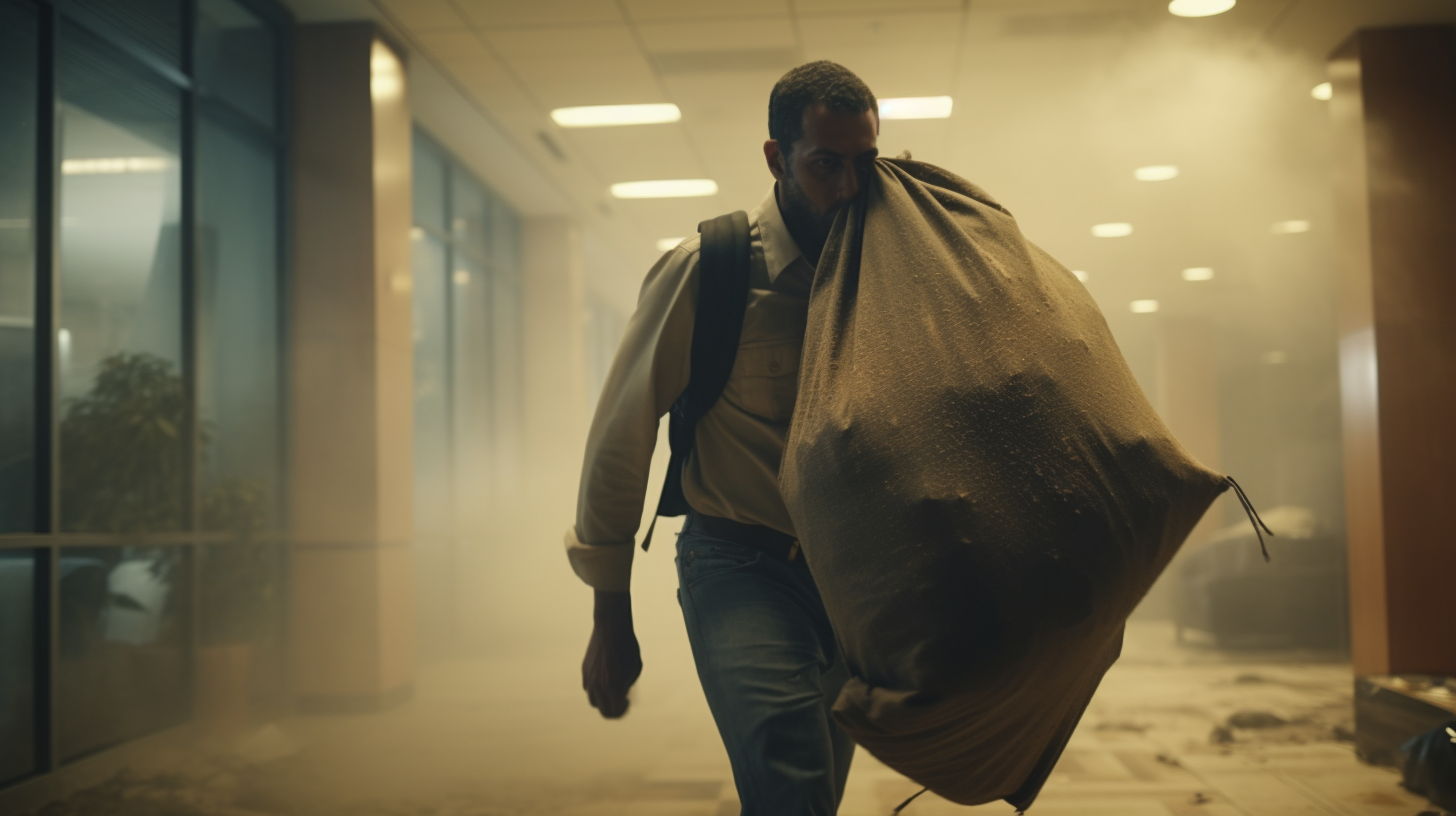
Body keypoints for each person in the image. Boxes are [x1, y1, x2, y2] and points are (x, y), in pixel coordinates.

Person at [564, 61, 880, 815]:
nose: (846, 187)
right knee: (790, 773)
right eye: (824, 164)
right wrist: (611, 616)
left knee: (807, 796)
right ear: (777, 159)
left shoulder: (886, 273)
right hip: (739, 564)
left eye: (864, 163)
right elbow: (620, 438)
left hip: (852, 582)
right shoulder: (712, 271)